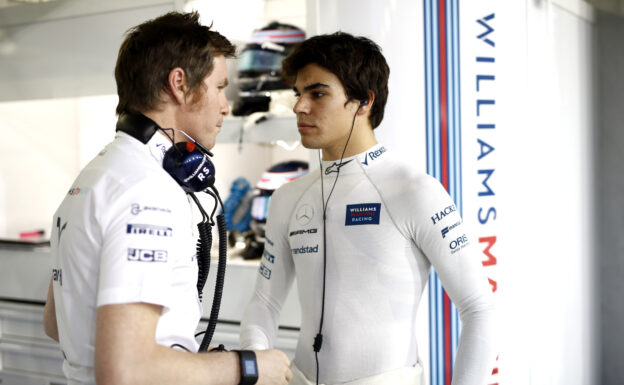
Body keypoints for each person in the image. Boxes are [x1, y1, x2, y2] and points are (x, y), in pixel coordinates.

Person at [42, 11, 292, 385]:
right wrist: (249, 366)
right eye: (220, 87)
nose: (225, 105)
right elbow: (127, 370)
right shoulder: (148, 192)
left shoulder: (96, 176)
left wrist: (183, 363)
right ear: (179, 83)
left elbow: (56, 323)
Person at [239, 32, 497, 385]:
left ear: (363, 102)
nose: (300, 106)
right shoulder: (288, 198)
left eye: (317, 93)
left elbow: (479, 307)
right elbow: (264, 304)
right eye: (299, 94)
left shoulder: (414, 190)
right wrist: (257, 366)